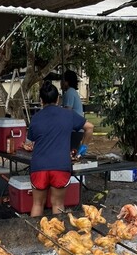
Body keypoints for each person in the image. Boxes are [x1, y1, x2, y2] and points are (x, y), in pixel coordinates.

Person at [27, 81, 94, 217]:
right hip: (60, 166)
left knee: (37, 204)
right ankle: (57, 231)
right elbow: (90, 127)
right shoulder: (68, 114)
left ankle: (34, 230)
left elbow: (30, 141)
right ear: (58, 99)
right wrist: (82, 148)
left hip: (39, 166)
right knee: (57, 204)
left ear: (41, 100)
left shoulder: (35, 118)